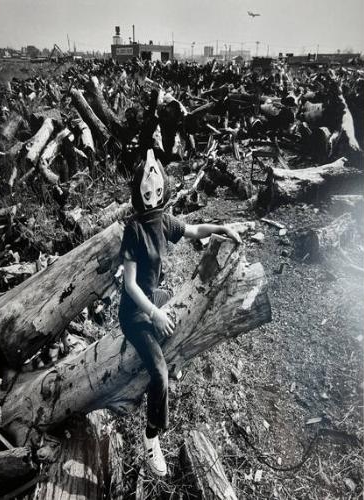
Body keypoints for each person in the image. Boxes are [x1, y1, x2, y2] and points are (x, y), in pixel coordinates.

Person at [118, 149, 241, 476]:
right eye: (147, 194)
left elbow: (192, 230)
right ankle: (151, 437)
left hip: (154, 298)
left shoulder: (162, 219)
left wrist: (221, 228)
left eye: (157, 192)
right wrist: (155, 316)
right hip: (133, 312)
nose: (153, 198)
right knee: (158, 372)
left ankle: (167, 347)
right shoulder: (133, 229)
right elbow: (129, 285)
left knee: (173, 302)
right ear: (138, 194)